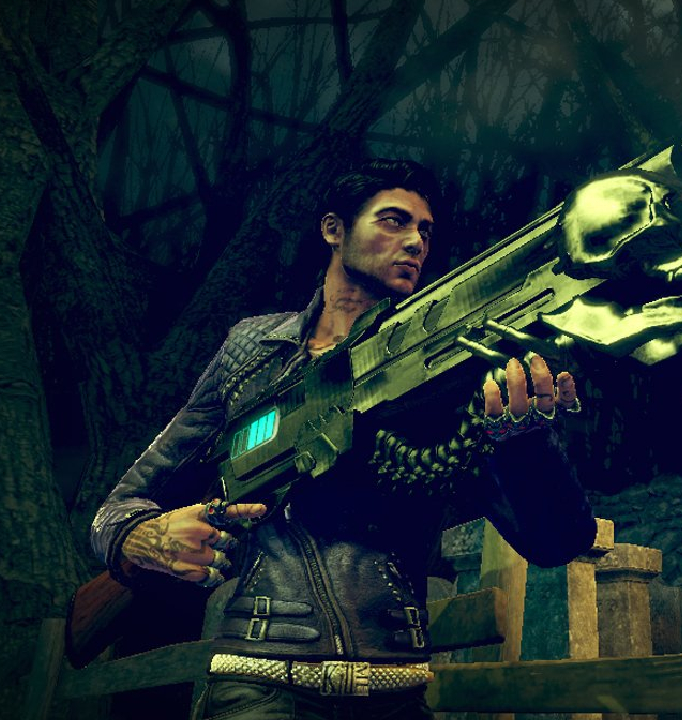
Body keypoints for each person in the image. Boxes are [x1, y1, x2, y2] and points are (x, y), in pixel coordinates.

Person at [90, 159, 598, 719]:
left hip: (396, 688)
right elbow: (120, 505)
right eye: (394, 221)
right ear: (334, 229)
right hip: (257, 685)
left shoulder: (440, 370)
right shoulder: (252, 350)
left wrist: (525, 440)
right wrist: (143, 538)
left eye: (426, 231)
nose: (415, 242)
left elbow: (558, 541)